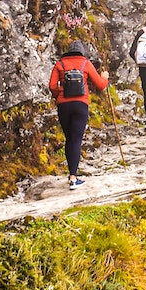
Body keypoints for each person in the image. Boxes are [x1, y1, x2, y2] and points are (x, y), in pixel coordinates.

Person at [49, 41, 109, 189]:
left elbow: (52, 86)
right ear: (81, 52)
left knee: (69, 139)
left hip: (64, 105)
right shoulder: (86, 64)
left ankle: (71, 175)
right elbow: (101, 85)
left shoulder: (59, 64)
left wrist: (59, 94)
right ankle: (73, 177)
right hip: (81, 105)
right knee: (76, 139)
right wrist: (105, 77)